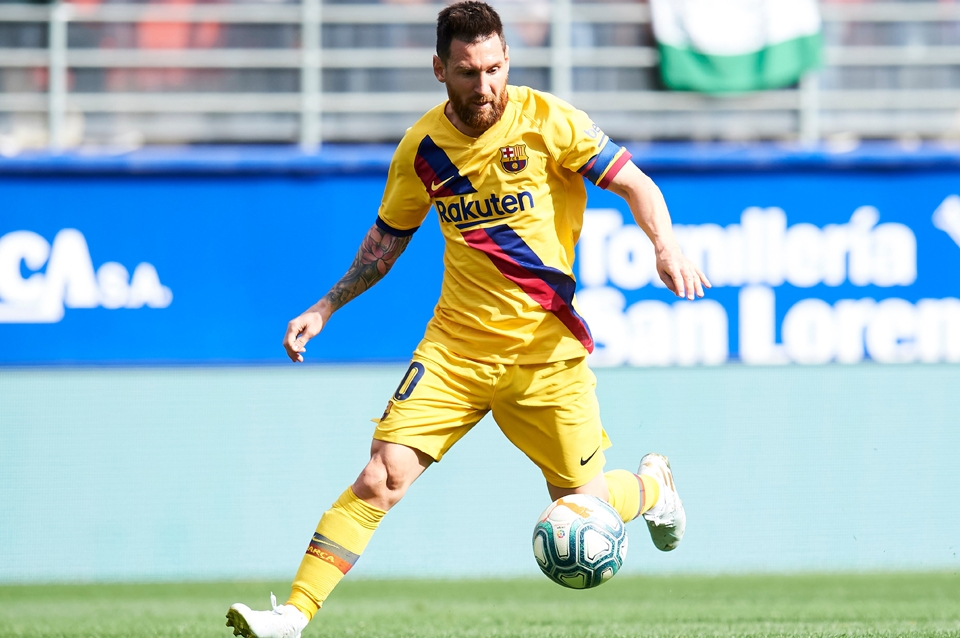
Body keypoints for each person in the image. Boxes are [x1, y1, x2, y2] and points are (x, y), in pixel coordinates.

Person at [226, 3, 709, 637]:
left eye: (494, 68)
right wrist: (325, 307)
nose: (484, 86)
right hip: (454, 352)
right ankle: (292, 617)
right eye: (467, 72)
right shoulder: (423, 149)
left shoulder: (550, 121)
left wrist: (666, 246)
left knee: (582, 504)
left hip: (545, 355)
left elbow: (637, 184)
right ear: (439, 69)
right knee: (380, 477)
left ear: (507, 59)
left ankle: (652, 487)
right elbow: (386, 242)